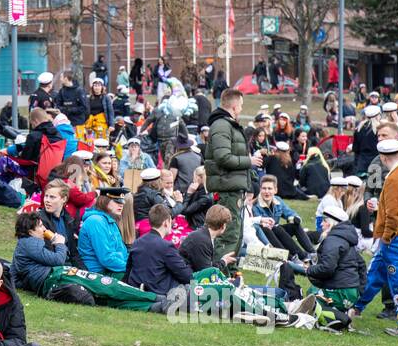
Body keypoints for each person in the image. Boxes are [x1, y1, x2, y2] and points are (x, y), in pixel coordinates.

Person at [349, 139, 398, 338]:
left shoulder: (394, 179)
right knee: (376, 272)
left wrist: (387, 237)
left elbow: (394, 216)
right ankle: (356, 307)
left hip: (396, 237)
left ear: (383, 157)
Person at [204, 88, 261, 263]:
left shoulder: (226, 124)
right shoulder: (221, 125)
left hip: (231, 188)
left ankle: (230, 273)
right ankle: (221, 275)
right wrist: (249, 161)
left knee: (235, 233)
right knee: (227, 234)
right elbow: (223, 157)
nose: (242, 109)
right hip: (226, 190)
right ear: (235, 106)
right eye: (241, 105)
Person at [284, 207, 365, 311]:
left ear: (332, 223)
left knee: (310, 300)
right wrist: (360, 291)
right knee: (313, 290)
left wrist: (308, 269)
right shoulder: (346, 240)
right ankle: (343, 311)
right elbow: (362, 265)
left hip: (340, 293)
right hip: (352, 293)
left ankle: (338, 316)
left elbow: (327, 268)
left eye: (324, 221)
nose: (321, 224)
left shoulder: (332, 241)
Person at [12, 212, 96, 305]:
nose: (44, 229)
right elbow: (58, 260)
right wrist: (60, 244)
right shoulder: (31, 243)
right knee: (86, 294)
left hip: (48, 277)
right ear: (30, 231)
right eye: (40, 226)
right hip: (48, 280)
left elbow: (14, 271)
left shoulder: (25, 243)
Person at [125, 204, 191, 307]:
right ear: (166, 222)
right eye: (171, 221)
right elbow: (187, 276)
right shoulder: (166, 246)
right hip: (159, 292)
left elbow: (128, 271)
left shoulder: (137, 242)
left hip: (137, 288)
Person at [250, 175, 316, 261]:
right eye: (264, 188)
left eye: (270, 189)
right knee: (277, 228)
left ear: (275, 190)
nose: (267, 191)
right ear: (260, 189)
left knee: (294, 225)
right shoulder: (255, 204)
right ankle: (300, 256)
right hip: (264, 236)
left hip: (277, 232)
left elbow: (290, 213)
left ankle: (312, 253)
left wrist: (295, 218)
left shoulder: (278, 200)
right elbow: (263, 226)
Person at [77, 190, 129, 276]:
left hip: (111, 269)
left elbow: (122, 250)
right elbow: (106, 258)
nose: (121, 204)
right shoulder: (95, 221)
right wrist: (129, 267)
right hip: (96, 274)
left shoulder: (109, 220)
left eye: (122, 202)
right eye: (116, 201)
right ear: (104, 201)